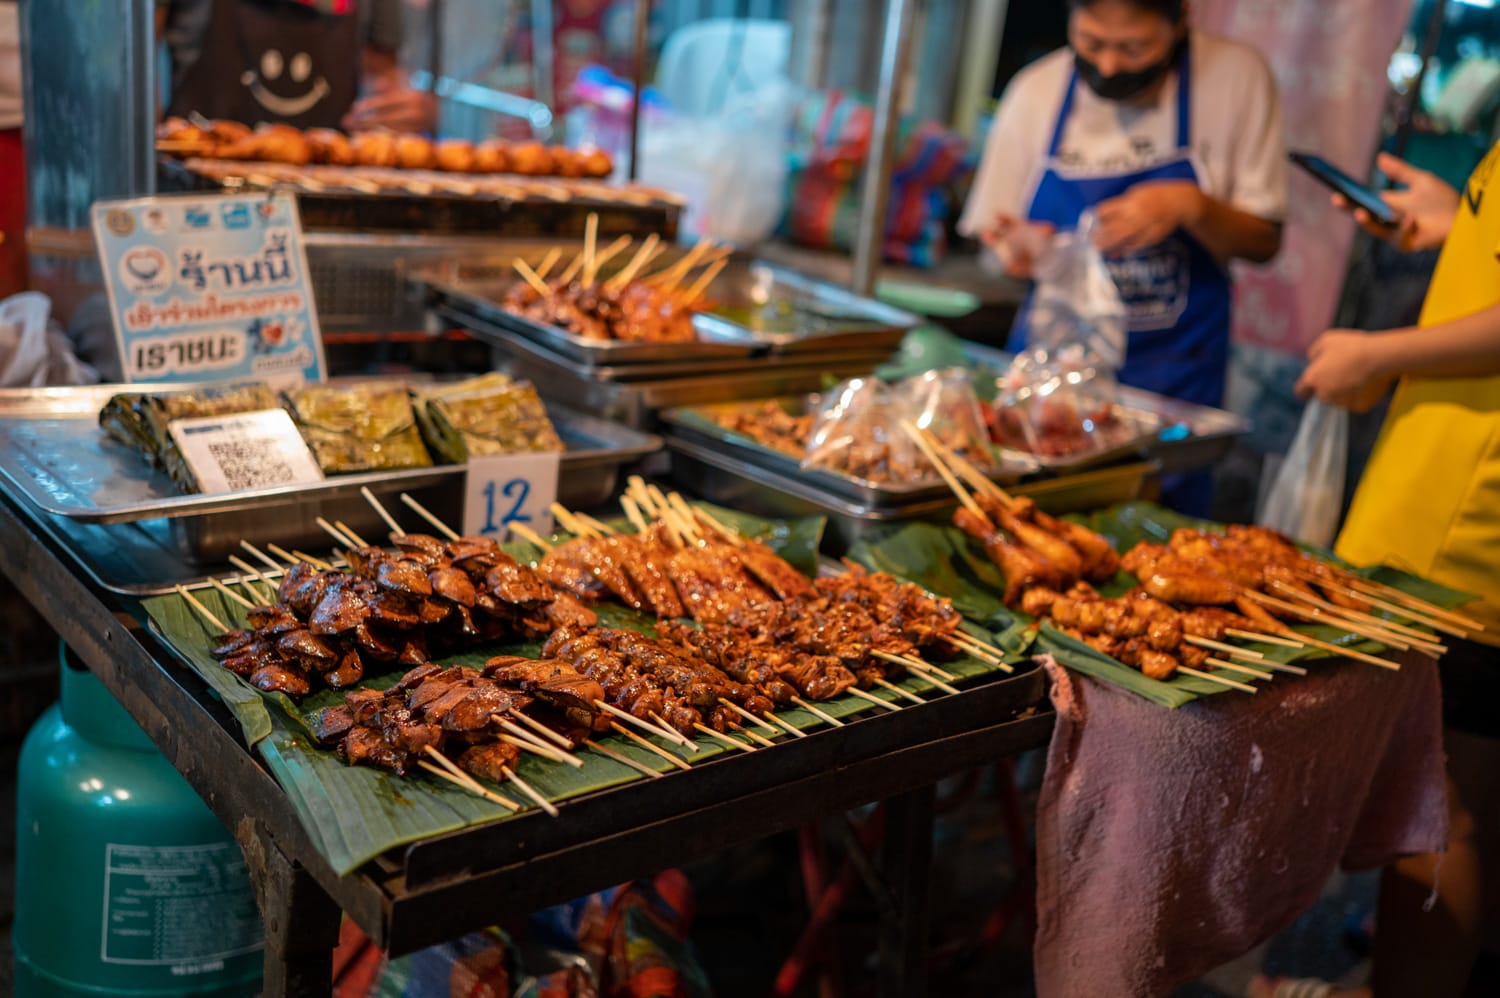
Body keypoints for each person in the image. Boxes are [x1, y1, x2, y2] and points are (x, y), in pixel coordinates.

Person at [1256, 145, 1500, 998]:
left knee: (1450, 811)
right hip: (1442, 491)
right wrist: (1455, 217)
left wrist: (1379, 353)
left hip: (1476, 532)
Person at [959, 0, 1286, 514]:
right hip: (1047, 389)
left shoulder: (1234, 79)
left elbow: (1265, 240)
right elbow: (993, 247)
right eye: (1090, 43)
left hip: (1173, 384)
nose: (1108, 65)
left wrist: (1192, 206)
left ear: (1180, 21)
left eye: (1133, 48)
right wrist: (1018, 252)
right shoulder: (1036, 91)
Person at [155, 0, 436, 133]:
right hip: (201, 205)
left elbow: (383, 81)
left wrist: (405, 110)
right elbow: (128, 75)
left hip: (323, 202)